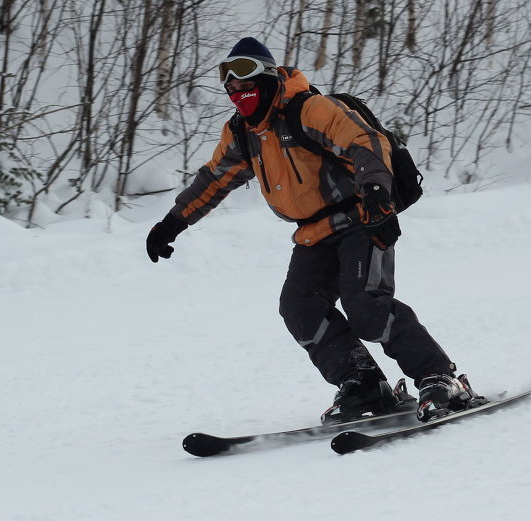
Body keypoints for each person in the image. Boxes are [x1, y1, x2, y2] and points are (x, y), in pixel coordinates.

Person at [146, 37, 475, 423]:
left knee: (367, 306)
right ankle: (364, 383)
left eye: (246, 83)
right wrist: (173, 222)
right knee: (299, 308)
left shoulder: (308, 110)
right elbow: (214, 180)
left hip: (362, 217)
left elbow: (364, 140)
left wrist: (374, 192)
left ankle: (441, 377)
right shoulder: (243, 133)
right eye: (231, 88)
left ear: (268, 78)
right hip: (312, 233)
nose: (238, 93)